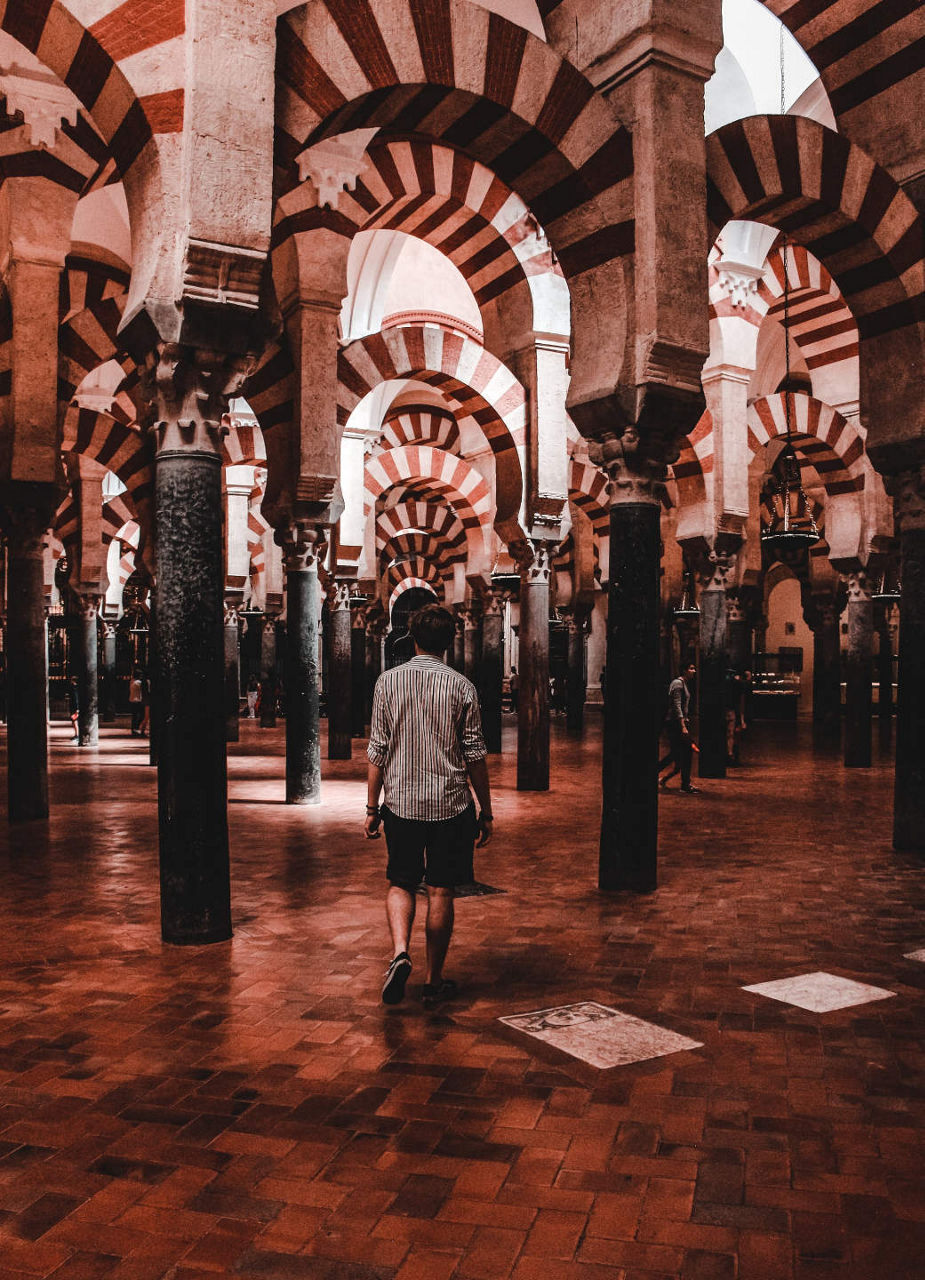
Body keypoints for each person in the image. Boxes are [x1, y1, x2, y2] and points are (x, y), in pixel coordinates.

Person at [365, 603, 494, 1009]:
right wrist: (485, 811)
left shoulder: (387, 683)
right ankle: (433, 979)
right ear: (449, 641)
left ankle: (400, 952)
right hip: (451, 804)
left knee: (401, 882)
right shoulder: (462, 687)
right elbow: (474, 756)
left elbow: (377, 752)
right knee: (441, 890)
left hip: (401, 802)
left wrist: (372, 807)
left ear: (413, 637)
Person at [659, 662, 698, 793]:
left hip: (679, 723)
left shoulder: (684, 684)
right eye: (691, 668)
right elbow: (677, 706)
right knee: (679, 753)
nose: (694, 671)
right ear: (684, 670)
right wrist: (682, 726)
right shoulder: (677, 683)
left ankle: (684, 783)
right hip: (675, 724)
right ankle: (684, 784)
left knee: (680, 753)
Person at [129, 668, 144, 735]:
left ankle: (134, 729)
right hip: (137, 700)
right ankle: (136, 728)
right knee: (141, 715)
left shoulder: (132, 681)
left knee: (135, 715)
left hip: (132, 699)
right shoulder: (138, 682)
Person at [68, 676, 80, 744]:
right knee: (74, 721)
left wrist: (77, 709)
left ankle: (77, 735)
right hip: (74, 707)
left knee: (75, 721)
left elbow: (76, 699)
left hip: (74, 707)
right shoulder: (75, 688)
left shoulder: (74, 689)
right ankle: (76, 734)